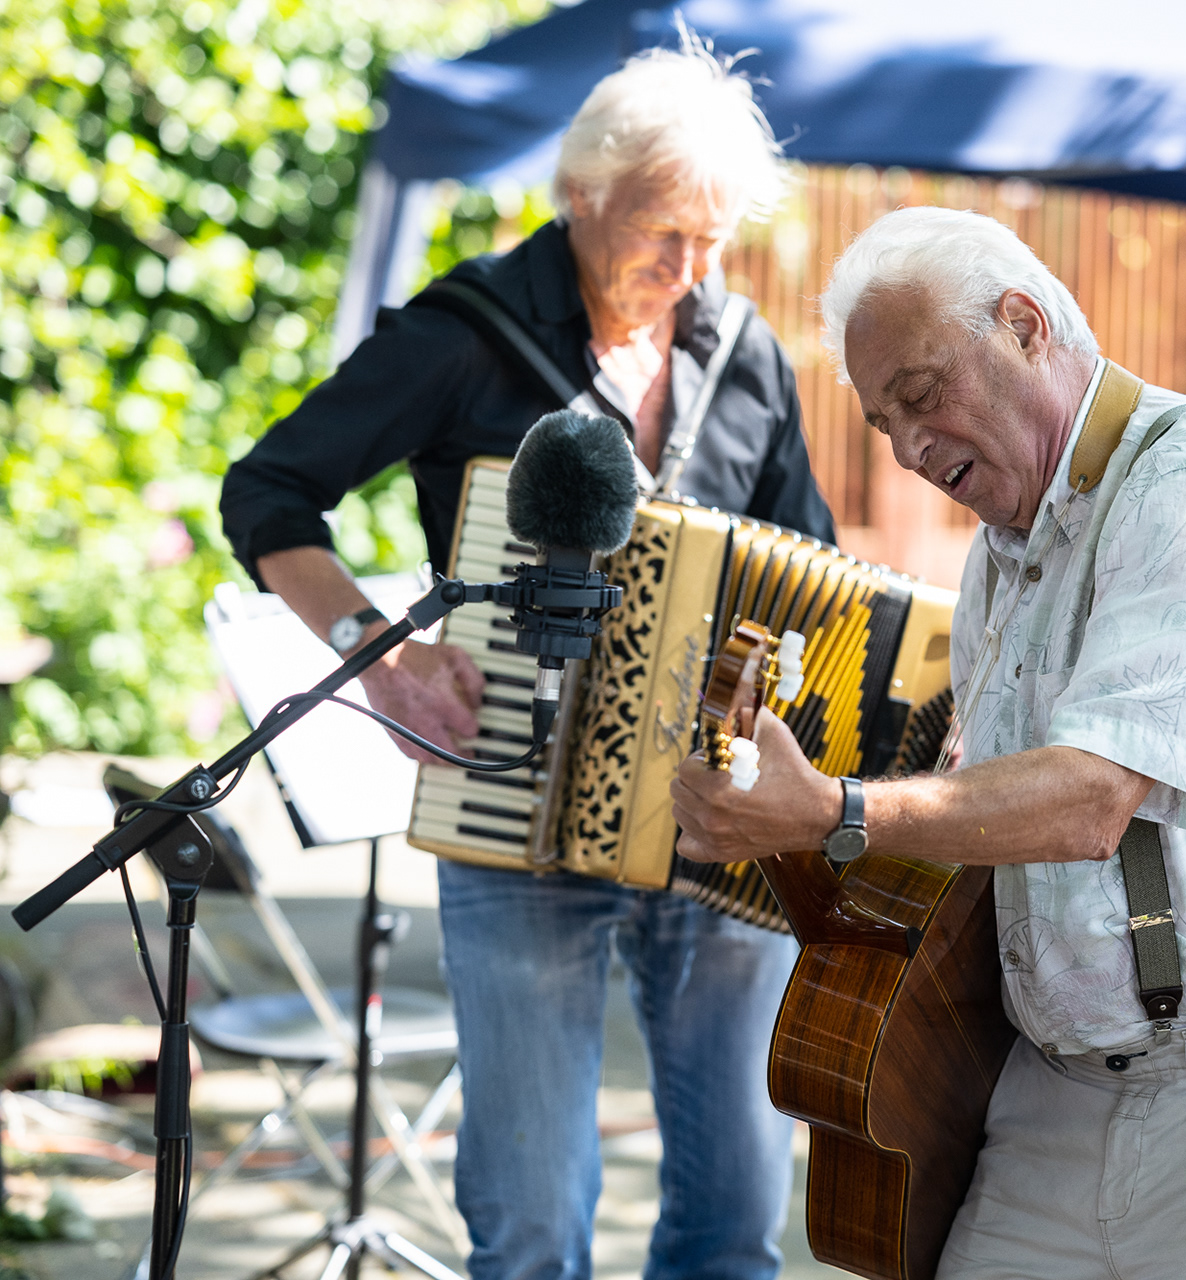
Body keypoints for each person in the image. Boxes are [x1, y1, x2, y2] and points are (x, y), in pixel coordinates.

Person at [671, 206, 1186, 1279]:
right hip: (1048, 1091)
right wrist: (784, 830)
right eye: (885, 424)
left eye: (922, 397)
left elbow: (1091, 798)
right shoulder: (996, 557)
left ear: (1025, 324)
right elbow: (984, 826)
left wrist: (836, 812)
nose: (911, 449)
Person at [220, 36, 832, 1280]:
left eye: (714, 242)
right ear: (583, 195)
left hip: (713, 823)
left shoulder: (743, 351)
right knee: (534, 1226)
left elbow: (809, 566)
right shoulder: (468, 334)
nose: (691, 271)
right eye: (667, 234)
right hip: (509, 792)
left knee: (735, 1227)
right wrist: (380, 660)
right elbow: (268, 492)